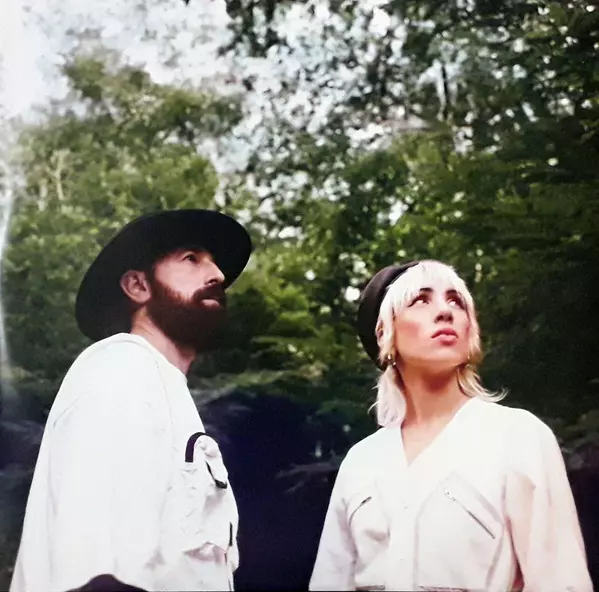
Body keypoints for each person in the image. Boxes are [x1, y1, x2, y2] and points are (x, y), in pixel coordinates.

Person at [309, 259, 592, 591]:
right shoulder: (360, 462)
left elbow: (561, 581)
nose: (445, 312)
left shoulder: (518, 438)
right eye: (421, 299)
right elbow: (330, 580)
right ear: (385, 334)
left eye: (456, 301)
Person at [10, 209, 253, 592]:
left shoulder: (158, 384)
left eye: (215, 263)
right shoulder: (122, 367)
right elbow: (102, 573)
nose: (218, 275)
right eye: (191, 259)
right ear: (138, 285)